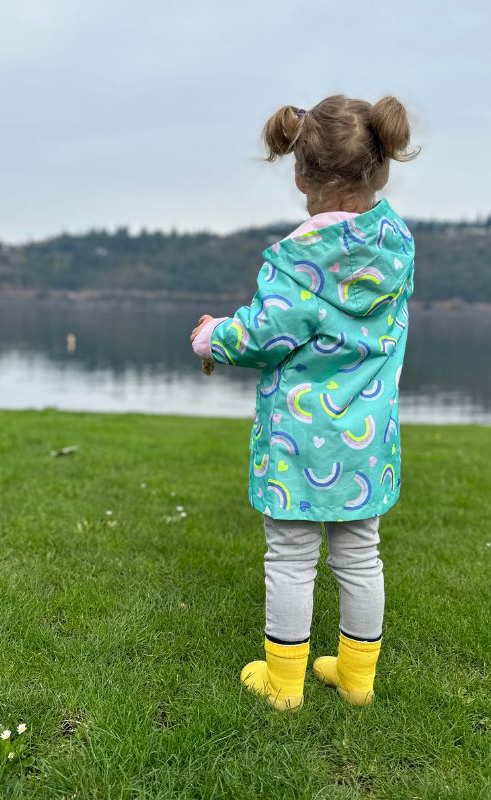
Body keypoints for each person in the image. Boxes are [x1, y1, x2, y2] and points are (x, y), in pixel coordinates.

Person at [190, 95, 418, 709]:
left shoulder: (297, 266)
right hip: (368, 440)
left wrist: (213, 335)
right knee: (359, 555)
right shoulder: (396, 247)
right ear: (382, 169)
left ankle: (284, 684)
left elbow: (265, 334)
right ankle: (356, 678)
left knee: (290, 556)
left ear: (299, 174)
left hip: (300, 441)